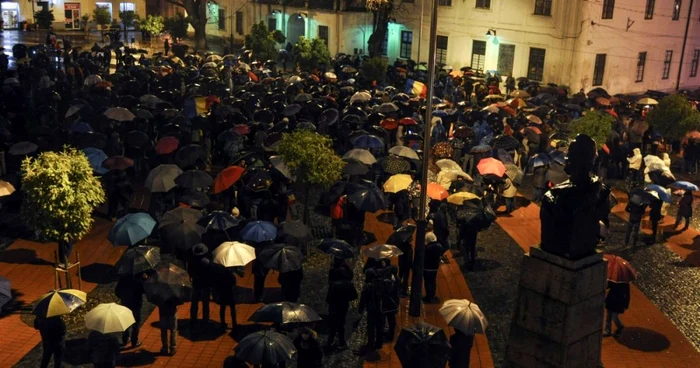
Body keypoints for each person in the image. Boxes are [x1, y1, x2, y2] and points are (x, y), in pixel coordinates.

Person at [326, 261, 357, 348]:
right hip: (343, 306)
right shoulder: (349, 283)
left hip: (333, 307)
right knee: (341, 324)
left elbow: (329, 298)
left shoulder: (334, 284)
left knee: (332, 325)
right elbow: (354, 296)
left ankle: (330, 342)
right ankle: (342, 342)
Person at [115, 272, 146, 349]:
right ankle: (134, 341)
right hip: (136, 304)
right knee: (136, 323)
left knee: (125, 322)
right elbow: (144, 290)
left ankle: (125, 339)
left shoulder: (122, 278)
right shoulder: (138, 279)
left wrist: (123, 297)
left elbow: (117, 292)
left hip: (125, 303)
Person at [358, 268, 382, 352]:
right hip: (380, 309)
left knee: (371, 327)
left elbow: (363, 299)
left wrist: (360, 309)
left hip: (372, 309)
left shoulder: (367, 287)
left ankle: (371, 343)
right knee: (379, 326)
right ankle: (379, 342)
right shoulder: (379, 283)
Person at [188, 243, 211, 331]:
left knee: (194, 302)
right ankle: (205, 319)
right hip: (205, 284)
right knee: (205, 303)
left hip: (196, 283)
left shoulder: (192, 260)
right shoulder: (207, 262)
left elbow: (190, 271)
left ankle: (193, 319)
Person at [211, 263, 239, 329]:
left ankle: (223, 323)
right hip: (229, 292)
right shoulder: (229, 273)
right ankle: (234, 323)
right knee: (232, 308)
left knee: (222, 307)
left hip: (222, 292)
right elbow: (234, 282)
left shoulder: (219, 272)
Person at [423, 232, 446, 303]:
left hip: (427, 267)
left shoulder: (427, 248)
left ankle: (428, 296)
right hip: (434, 267)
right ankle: (432, 295)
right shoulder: (439, 246)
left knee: (427, 282)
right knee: (433, 281)